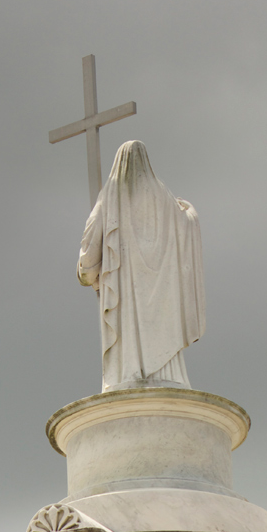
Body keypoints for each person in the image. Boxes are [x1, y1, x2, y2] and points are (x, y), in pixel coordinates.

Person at [77, 140, 205, 391]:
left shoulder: (109, 197)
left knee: (127, 364)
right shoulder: (165, 197)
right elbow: (186, 224)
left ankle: (129, 372)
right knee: (168, 371)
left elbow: (88, 262)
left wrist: (87, 272)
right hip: (165, 310)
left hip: (125, 311)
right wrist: (191, 213)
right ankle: (166, 373)